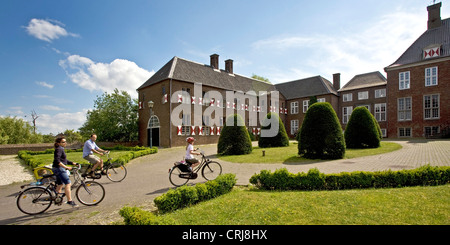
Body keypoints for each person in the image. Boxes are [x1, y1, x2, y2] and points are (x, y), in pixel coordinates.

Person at [52, 136, 78, 207]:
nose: (65, 143)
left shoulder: (60, 149)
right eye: (63, 142)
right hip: (59, 168)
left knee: (60, 184)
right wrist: (66, 167)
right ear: (59, 143)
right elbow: (57, 161)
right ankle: (70, 201)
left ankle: (57, 199)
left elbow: (64, 160)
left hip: (56, 168)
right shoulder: (59, 149)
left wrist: (73, 163)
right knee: (68, 183)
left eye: (65, 141)